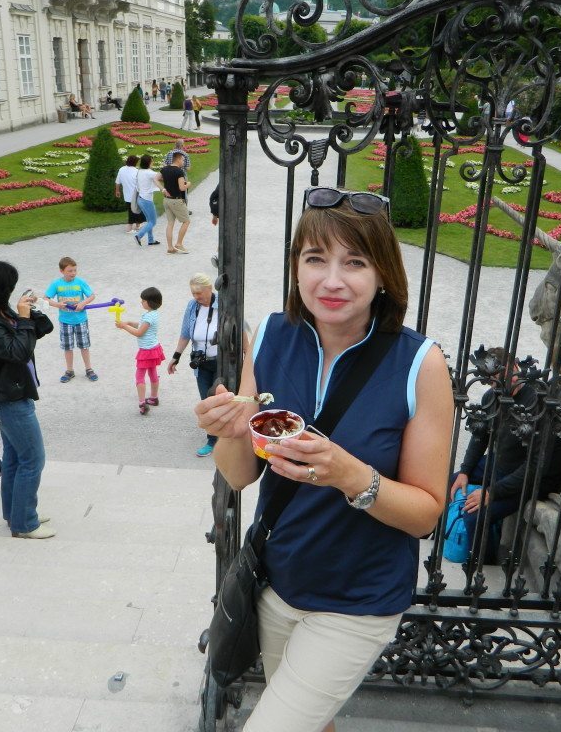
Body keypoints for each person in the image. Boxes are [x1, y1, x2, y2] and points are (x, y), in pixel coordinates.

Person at [194, 187, 453, 732]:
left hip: (357, 599)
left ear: (384, 273)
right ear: (296, 267)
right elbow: (240, 475)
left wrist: (348, 474)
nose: (331, 281)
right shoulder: (268, 337)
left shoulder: (420, 365)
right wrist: (230, 431)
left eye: (354, 263)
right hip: (278, 583)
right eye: (315, 259)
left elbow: (427, 513)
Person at [450, 346, 561, 562]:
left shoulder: (538, 403)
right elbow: (479, 437)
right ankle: (445, 537)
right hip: (504, 462)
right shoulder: (493, 396)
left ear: (514, 368)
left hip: (535, 477)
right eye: (491, 380)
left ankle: (482, 567)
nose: (495, 385)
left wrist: (491, 492)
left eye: (498, 378)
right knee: (454, 480)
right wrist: (465, 471)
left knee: (475, 516)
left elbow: (536, 466)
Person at [0, 260, 55, 539]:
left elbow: (44, 328)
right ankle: (25, 524)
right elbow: (17, 351)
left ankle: (16, 514)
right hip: (6, 399)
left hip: (14, 393)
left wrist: (31, 310)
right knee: (33, 459)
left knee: (16, 458)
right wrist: (24, 319)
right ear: (0, 287)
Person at [169, 273, 220, 457]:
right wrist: (176, 356)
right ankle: (212, 439)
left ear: (210, 289)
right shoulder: (192, 306)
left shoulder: (224, 302)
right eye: (193, 293)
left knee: (220, 399)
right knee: (206, 401)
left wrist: (247, 354)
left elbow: (240, 328)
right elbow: (185, 333)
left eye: (199, 293)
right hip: (201, 363)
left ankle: (224, 438)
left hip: (221, 362)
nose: (196, 297)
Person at [43, 256, 97, 383]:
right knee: (68, 347)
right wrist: (57, 305)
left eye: (74, 270)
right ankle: (70, 371)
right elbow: (45, 298)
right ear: (62, 271)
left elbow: (92, 296)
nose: (73, 273)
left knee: (84, 346)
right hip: (65, 321)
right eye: (70, 271)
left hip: (81, 320)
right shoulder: (56, 284)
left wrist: (83, 303)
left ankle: (89, 369)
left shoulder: (80, 282)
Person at [115, 287, 164, 415]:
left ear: (149, 302)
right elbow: (141, 326)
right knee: (153, 372)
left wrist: (124, 326)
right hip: (154, 348)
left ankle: (142, 403)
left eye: (143, 300)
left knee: (139, 376)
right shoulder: (153, 314)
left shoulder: (148, 317)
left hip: (146, 351)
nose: (141, 302)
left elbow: (139, 333)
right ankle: (154, 398)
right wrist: (129, 322)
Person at [158, 151, 191, 253]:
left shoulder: (164, 169)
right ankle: (179, 243)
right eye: (183, 159)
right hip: (176, 201)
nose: (183, 161)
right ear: (178, 159)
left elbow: (155, 179)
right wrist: (188, 184)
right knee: (186, 221)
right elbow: (182, 188)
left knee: (170, 223)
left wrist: (163, 189)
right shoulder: (179, 172)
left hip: (166, 200)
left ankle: (170, 248)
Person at [133, 155, 161, 247]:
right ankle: (139, 235)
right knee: (153, 222)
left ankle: (151, 240)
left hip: (140, 199)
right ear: (148, 162)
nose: (153, 162)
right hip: (147, 200)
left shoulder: (139, 171)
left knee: (149, 220)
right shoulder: (150, 173)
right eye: (152, 161)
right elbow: (161, 177)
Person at [115, 154, 143, 234]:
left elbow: (117, 182)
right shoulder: (137, 171)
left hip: (127, 195)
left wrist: (117, 191)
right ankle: (129, 228)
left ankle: (138, 225)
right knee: (134, 211)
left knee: (134, 210)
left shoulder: (121, 169)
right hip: (136, 195)